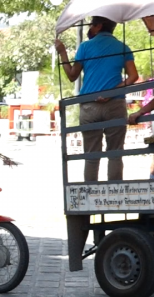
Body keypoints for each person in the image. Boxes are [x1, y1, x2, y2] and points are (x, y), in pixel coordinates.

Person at [55, 16, 138, 182]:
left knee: (91, 156)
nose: (89, 29)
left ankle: (91, 200)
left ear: (99, 25)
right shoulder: (123, 47)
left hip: (89, 106)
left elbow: (72, 75)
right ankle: (115, 198)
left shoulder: (85, 47)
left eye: (92, 24)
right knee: (115, 154)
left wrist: (63, 52)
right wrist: (112, 92)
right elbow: (133, 76)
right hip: (115, 104)